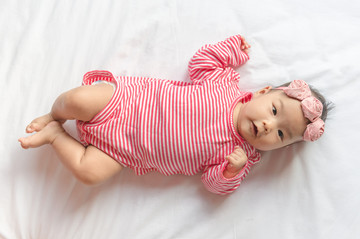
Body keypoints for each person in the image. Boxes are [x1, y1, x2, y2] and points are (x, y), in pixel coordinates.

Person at [18, 35, 331, 195]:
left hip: (124, 151)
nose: (267, 125)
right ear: (262, 92)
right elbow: (202, 61)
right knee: (77, 98)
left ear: (281, 148)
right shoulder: (224, 85)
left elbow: (213, 186)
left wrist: (229, 173)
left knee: (89, 174)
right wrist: (232, 50)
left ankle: (56, 137)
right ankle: (53, 115)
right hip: (127, 102)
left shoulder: (241, 158)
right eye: (274, 111)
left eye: (280, 134)